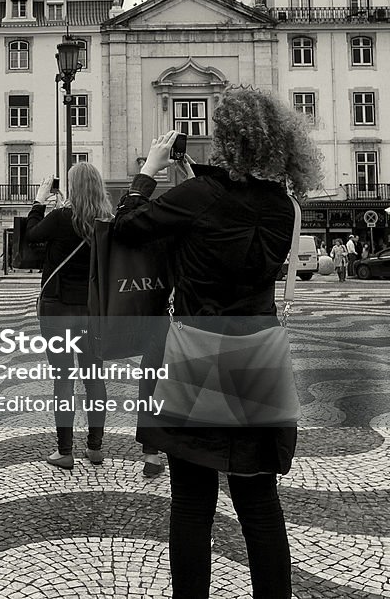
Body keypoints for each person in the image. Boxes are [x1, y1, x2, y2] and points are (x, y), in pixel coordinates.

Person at [112, 88, 322, 598]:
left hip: (196, 353)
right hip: (258, 356)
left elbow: (125, 227)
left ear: (227, 137)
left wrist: (152, 170)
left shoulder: (197, 197)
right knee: (258, 500)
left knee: (191, 499)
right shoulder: (283, 205)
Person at [26, 163, 112, 470]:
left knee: (63, 380)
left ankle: (65, 451)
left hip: (58, 310)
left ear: (73, 189)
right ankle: (96, 448)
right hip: (92, 311)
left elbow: (32, 235)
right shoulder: (106, 221)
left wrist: (39, 201)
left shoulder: (62, 218)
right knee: (94, 378)